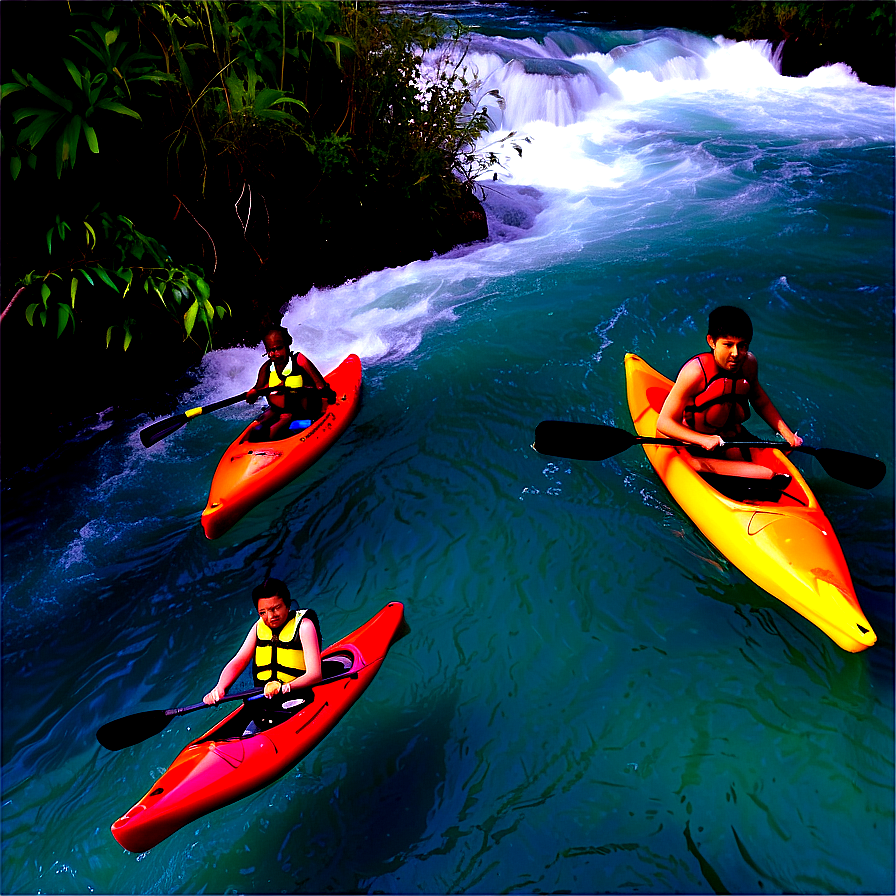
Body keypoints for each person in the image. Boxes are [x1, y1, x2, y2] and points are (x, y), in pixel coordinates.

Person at [656, 305, 803, 483]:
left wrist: (786, 434)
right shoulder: (695, 373)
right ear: (711, 341)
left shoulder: (748, 364)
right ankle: (693, 463)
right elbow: (664, 423)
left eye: (742, 346)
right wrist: (703, 439)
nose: (736, 353)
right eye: (728, 345)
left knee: (776, 469)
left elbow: (759, 400)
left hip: (731, 438)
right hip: (692, 442)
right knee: (767, 476)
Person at [203, 578, 323, 723]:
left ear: (288, 605)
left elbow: (315, 675)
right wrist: (220, 688)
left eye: (275, 608)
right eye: (263, 612)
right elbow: (239, 660)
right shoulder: (258, 628)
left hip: (298, 697)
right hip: (263, 700)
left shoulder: (304, 626)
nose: (270, 616)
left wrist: (284, 687)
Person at [246, 325, 334, 441]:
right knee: (262, 420)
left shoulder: (299, 360)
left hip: (301, 410)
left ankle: (271, 442)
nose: (274, 353)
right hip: (277, 409)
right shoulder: (266, 367)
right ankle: (252, 440)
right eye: (270, 350)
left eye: (278, 348)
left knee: (285, 418)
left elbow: (321, 386)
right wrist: (253, 393)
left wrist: (328, 399)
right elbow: (258, 390)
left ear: (287, 345)